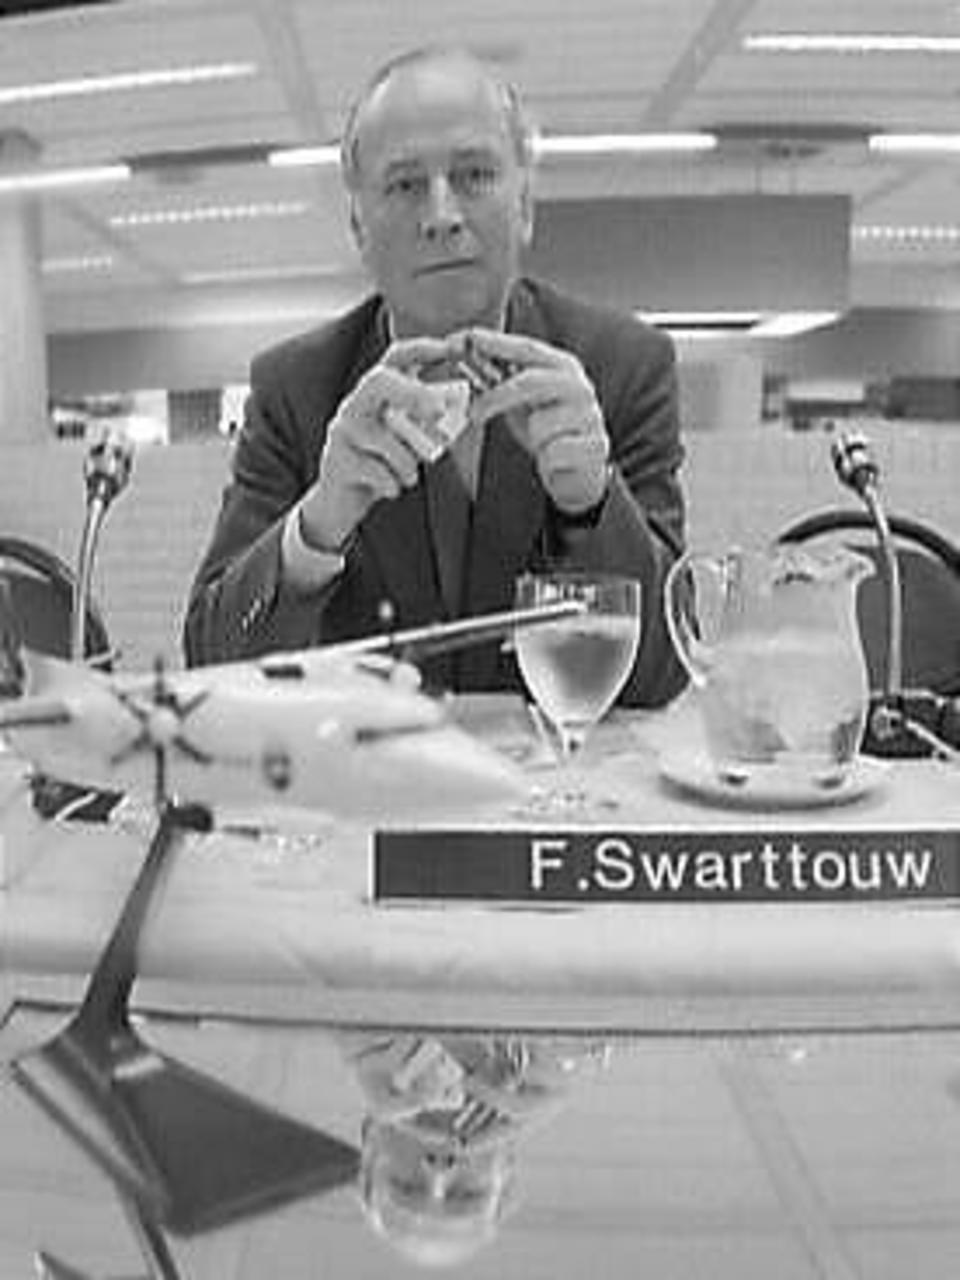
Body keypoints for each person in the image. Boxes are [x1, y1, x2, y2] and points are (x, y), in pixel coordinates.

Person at [184, 45, 688, 706]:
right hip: (366, 766)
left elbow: (661, 678)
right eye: (404, 185)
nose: (443, 216)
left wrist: (592, 504)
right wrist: (318, 525)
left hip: (558, 768)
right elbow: (211, 666)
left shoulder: (623, 367)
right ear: (358, 224)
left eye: (474, 175)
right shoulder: (294, 389)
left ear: (525, 205)